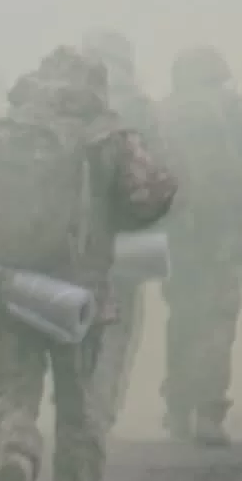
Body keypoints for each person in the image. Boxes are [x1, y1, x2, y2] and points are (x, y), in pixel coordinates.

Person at [0, 47, 175, 481]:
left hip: (12, 287)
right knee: (80, 405)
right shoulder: (109, 135)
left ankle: (17, 453)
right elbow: (146, 198)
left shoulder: (5, 129)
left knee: (14, 391)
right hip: (81, 294)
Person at [157, 46, 242, 446]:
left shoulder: (163, 112)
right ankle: (208, 412)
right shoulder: (236, 110)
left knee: (182, 316)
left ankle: (177, 409)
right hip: (223, 234)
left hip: (178, 233)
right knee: (217, 319)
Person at [80, 29, 161, 432]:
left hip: (63, 247)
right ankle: (98, 417)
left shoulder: (63, 102)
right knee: (117, 331)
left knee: (69, 332)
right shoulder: (140, 112)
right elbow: (164, 179)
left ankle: (70, 418)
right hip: (126, 247)